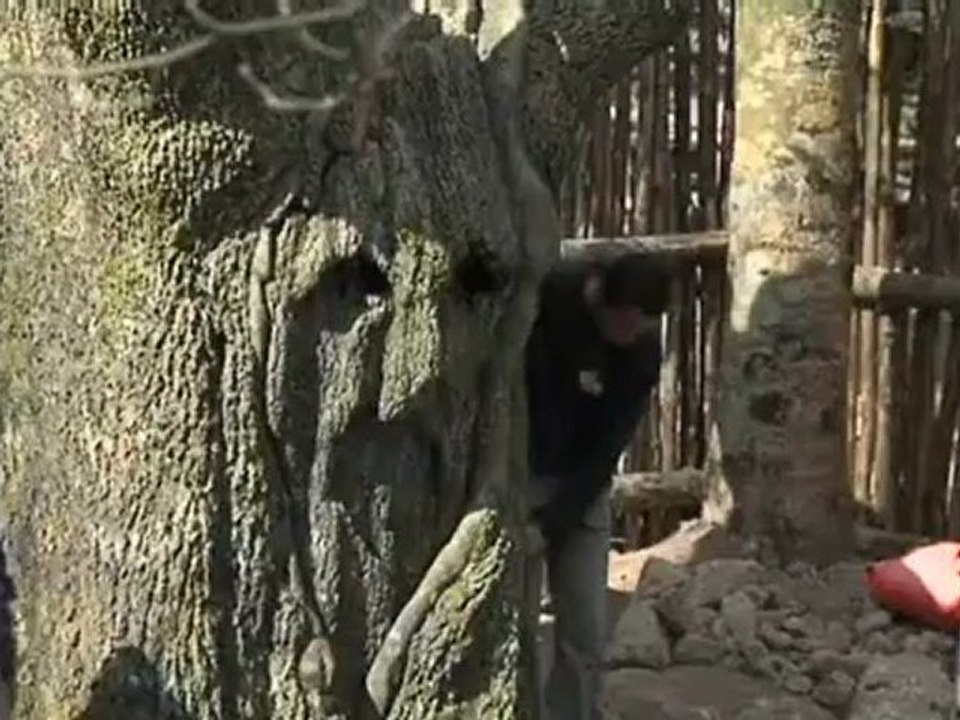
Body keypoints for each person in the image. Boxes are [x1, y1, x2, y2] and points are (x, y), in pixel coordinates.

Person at [525, 253, 669, 720]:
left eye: (644, 325)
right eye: (628, 322)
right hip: (521, 478)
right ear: (603, 302)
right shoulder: (550, 298)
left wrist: (555, 520)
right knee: (517, 624)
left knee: (585, 633)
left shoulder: (641, 352)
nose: (634, 333)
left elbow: (607, 448)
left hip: (582, 490)